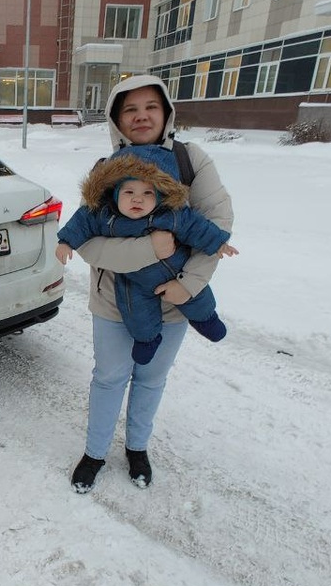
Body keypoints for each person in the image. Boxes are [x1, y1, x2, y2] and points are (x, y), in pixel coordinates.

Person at [66, 74, 234, 493]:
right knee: (109, 378)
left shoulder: (190, 161)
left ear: (166, 113)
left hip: (175, 299)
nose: (141, 116)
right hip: (112, 301)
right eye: (130, 109)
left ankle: (137, 448)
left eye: (151, 107)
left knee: (151, 379)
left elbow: (215, 228)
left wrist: (188, 286)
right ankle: (95, 453)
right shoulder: (106, 172)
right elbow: (90, 243)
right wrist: (149, 249)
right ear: (116, 119)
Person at [55, 154, 237, 363]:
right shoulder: (104, 216)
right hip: (133, 280)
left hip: (176, 271)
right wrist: (66, 242)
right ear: (115, 195)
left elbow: (196, 227)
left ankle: (207, 319)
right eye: (129, 192)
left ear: (159, 196)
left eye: (147, 193)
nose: (137, 199)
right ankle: (147, 340)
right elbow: (81, 223)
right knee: (136, 313)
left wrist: (218, 243)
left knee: (198, 298)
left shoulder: (169, 214)